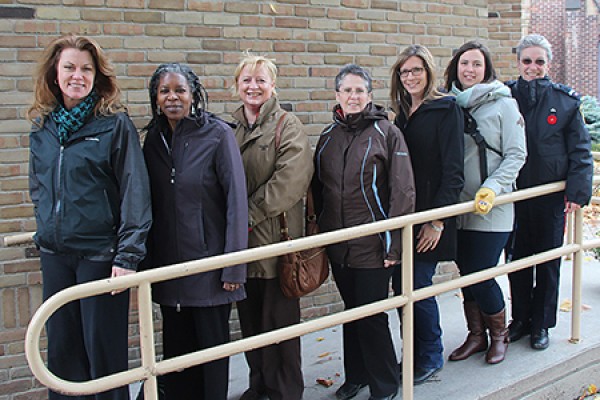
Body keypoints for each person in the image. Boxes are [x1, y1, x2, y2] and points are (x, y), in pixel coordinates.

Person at [27, 34, 152, 399]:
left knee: (103, 355)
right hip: (56, 255)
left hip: (100, 256)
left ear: (98, 76)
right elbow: (39, 185)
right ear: (55, 73)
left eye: (86, 69)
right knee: (62, 353)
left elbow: (135, 192)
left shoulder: (114, 125)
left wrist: (128, 256)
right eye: (69, 67)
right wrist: (45, 228)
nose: (77, 76)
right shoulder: (44, 127)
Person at [141, 63, 248, 400]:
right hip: (170, 269)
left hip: (210, 269)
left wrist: (233, 266)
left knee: (211, 354)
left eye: (180, 90)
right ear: (156, 98)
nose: (172, 97)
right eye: (165, 91)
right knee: (177, 355)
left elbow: (236, 201)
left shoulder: (218, 134)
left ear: (193, 95)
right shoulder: (153, 141)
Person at [313, 64, 415, 400]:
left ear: (369, 96)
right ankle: (356, 377)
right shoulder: (327, 138)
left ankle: (385, 385)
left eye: (360, 91)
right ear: (337, 95)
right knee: (351, 312)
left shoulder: (387, 133)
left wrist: (395, 246)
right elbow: (318, 192)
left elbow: (403, 192)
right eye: (347, 90)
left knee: (371, 316)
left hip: (375, 246)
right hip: (338, 244)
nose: (353, 96)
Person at [231, 53, 313, 400]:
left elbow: (289, 183)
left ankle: (285, 392)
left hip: (275, 244)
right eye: (247, 80)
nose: (254, 87)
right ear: (236, 86)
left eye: (261, 80)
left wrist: (244, 217)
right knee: (250, 325)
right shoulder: (230, 129)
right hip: (241, 247)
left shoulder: (286, 125)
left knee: (278, 326)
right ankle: (260, 386)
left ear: (272, 85)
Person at [506, 34, 593, 350]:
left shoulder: (565, 101)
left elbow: (580, 150)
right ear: (518, 63)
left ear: (548, 64)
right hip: (512, 197)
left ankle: (541, 325)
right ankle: (520, 320)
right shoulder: (505, 96)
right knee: (516, 260)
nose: (532, 67)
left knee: (547, 262)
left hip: (549, 199)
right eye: (527, 61)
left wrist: (576, 192)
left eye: (539, 61)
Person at [443, 41, 527, 364]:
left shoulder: (504, 104)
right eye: (465, 63)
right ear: (456, 67)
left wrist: (492, 188)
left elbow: (517, 154)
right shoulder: (449, 103)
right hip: (459, 207)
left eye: (477, 64)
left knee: (480, 272)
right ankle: (476, 335)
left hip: (493, 207)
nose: (470, 70)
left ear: (487, 69)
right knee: (466, 272)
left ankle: (499, 335)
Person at [389, 45, 464, 384]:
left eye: (416, 70)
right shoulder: (403, 113)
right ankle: (412, 353)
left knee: (417, 284)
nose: (410, 77)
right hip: (403, 215)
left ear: (429, 72)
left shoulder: (445, 109)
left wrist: (437, 222)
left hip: (431, 217)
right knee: (402, 287)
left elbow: (453, 173)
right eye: (404, 72)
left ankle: (430, 356)